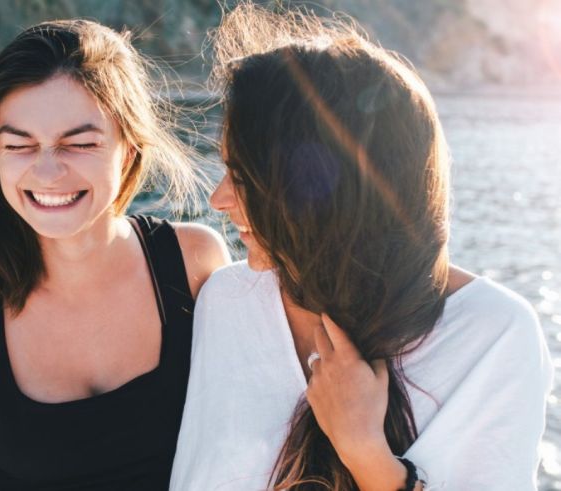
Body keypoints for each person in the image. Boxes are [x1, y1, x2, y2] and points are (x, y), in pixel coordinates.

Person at [170, 4, 553, 490]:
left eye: (245, 178)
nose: (218, 199)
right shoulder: (227, 302)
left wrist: (365, 452)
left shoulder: (493, 334)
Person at [0, 19, 230, 490]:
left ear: (128, 150)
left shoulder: (194, 261)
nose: (48, 171)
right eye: (19, 145)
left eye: (79, 143)